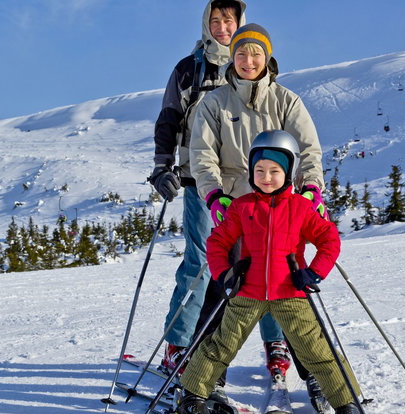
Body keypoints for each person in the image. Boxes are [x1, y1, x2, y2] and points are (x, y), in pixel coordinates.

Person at [188, 22, 332, 410]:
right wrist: (215, 195)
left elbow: (308, 150)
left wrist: (311, 188)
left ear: (267, 58)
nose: (248, 60)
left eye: (255, 53)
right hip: (236, 207)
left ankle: (317, 373)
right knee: (222, 288)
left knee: (292, 292)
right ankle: (207, 375)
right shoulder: (214, 103)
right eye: (240, 53)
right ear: (231, 57)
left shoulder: (286, 101)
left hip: (283, 209)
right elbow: (201, 155)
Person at [178, 130, 362, 414]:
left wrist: (313, 272)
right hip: (247, 292)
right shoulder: (242, 207)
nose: (265, 177)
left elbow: (329, 240)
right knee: (219, 346)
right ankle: (192, 397)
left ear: (288, 172)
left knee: (317, 350)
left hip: (290, 292)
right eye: (259, 170)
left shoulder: (301, 207)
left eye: (274, 171)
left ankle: (345, 401)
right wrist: (225, 274)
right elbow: (217, 242)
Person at [148, 0, 249, 376]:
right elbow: (170, 118)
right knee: (203, 263)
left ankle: (219, 349)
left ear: (241, 22)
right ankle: (178, 346)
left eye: (230, 19)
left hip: (245, 182)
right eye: (217, 19)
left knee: (247, 266)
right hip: (199, 180)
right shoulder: (190, 69)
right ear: (207, 23)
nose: (223, 26)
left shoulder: (250, 64)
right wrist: (162, 168)